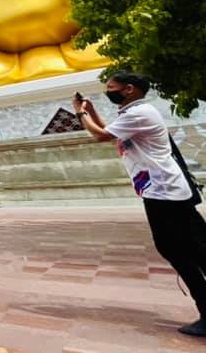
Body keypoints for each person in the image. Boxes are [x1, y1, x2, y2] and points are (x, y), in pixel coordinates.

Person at [74, 72, 206, 338]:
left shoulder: (139, 114)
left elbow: (100, 136)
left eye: (112, 87)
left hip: (164, 191)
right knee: (193, 247)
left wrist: (80, 113)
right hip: (163, 190)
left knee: (178, 249)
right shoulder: (133, 114)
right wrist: (92, 110)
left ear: (129, 89)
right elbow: (110, 132)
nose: (109, 91)